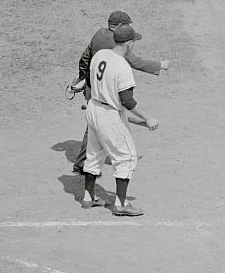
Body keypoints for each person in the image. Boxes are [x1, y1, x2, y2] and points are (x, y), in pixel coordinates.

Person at [71, 10, 169, 173]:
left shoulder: (99, 34)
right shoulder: (115, 42)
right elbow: (134, 62)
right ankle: (98, 160)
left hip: (93, 85)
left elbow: (85, 57)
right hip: (106, 88)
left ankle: (86, 161)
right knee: (104, 122)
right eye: (127, 25)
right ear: (119, 25)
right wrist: (159, 65)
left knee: (98, 121)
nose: (129, 28)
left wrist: (83, 79)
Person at [82, 24, 159, 216]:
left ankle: (88, 197)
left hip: (93, 108)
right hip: (109, 114)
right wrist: (147, 118)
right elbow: (127, 100)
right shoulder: (122, 66)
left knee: (94, 153)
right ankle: (121, 204)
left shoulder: (100, 55)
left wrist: (98, 104)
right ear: (129, 43)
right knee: (126, 157)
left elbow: (90, 83)